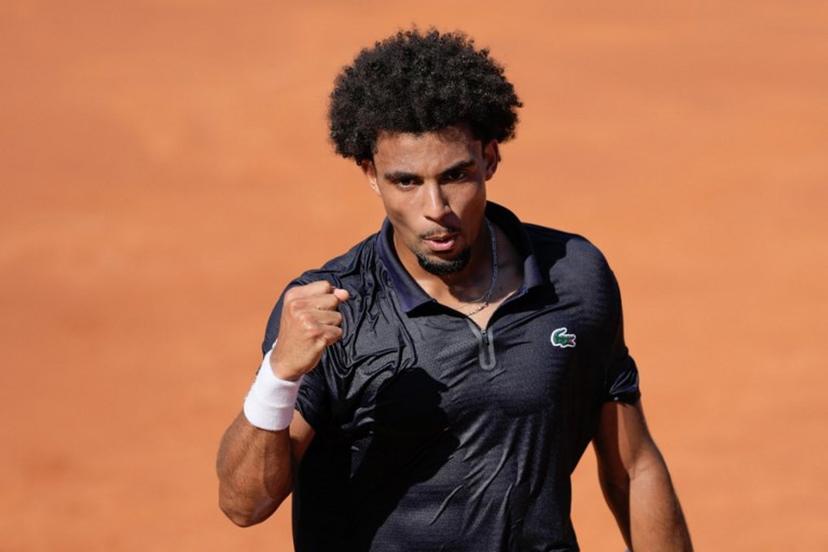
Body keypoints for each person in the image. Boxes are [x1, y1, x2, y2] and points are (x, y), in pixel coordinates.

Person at [216, 28, 692, 551]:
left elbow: (633, 468)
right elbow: (244, 504)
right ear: (371, 174)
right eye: (406, 182)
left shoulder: (574, 277)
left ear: (490, 158)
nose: (435, 209)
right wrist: (279, 375)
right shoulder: (334, 309)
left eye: (457, 175)